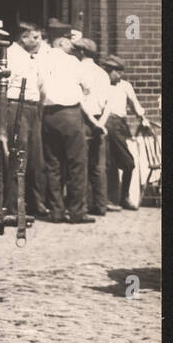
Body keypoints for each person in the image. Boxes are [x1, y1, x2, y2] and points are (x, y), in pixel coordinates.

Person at [36, 20, 96, 224]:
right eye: (69, 40)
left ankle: (56, 211)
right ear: (61, 41)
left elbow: (40, 86)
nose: (72, 44)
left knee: (53, 165)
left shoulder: (42, 59)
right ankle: (77, 211)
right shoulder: (72, 62)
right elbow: (87, 87)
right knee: (77, 165)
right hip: (71, 114)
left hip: (49, 115)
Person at [3, 20, 48, 219]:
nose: (39, 41)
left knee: (35, 159)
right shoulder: (11, 55)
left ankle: (36, 204)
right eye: (35, 37)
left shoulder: (32, 58)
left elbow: (39, 85)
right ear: (24, 37)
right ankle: (14, 208)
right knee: (19, 157)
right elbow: (4, 86)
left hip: (32, 108)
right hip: (17, 107)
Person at [101, 55, 147, 211]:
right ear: (108, 70)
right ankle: (105, 200)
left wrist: (143, 118)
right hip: (103, 124)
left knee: (128, 163)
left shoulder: (125, 86)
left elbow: (135, 105)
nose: (119, 76)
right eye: (116, 72)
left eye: (120, 72)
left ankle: (124, 197)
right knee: (106, 163)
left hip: (119, 125)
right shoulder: (101, 84)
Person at [73, 37, 111, 215]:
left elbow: (80, 101)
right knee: (98, 165)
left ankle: (83, 205)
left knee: (81, 163)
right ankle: (100, 205)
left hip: (85, 120)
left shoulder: (78, 70)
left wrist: (94, 123)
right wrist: (101, 124)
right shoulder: (102, 73)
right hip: (100, 120)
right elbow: (108, 104)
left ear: (81, 52)